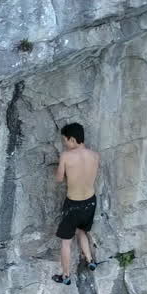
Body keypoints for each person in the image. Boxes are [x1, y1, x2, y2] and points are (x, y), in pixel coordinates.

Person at [52, 122, 99, 285]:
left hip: (74, 204)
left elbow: (58, 179)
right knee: (81, 231)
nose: (65, 143)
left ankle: (65, 276)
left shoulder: (66, 156)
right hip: (90, 201)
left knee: (66, 242)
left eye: (65, 140)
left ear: (72, 139)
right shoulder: (94, 155)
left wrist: (61, 171)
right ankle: (90, 260)